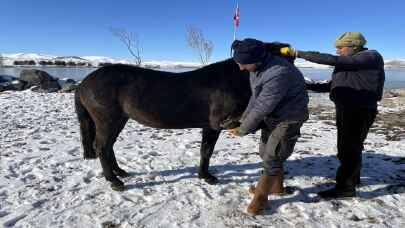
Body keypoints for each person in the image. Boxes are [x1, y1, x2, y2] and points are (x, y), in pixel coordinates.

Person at [280, 32, 385, 198]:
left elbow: (332, 60)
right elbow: (333, 85)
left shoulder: (370, 56)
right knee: (351, 146)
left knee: (348, 148)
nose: (338, 51)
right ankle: (352, 179)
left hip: (359, 110)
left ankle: (346, 188)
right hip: (347, 109)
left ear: (354, 46)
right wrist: (304, 85)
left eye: (340, 48)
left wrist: (297, 53)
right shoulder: (351, 63)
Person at [230, 38, 309, 215]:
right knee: (266, 152)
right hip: (273, 116)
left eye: (244, 64)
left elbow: (263, 105)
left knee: (273, 156)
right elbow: (255, 97)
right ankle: (276, 187)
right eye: (238, 63)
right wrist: (243, 120)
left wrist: (243, 129)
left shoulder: (278, 72)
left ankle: (261, 198)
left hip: (289, 118)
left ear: (257, 59)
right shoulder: (257, 68)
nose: (241, 68)